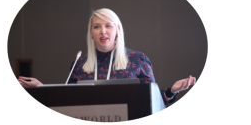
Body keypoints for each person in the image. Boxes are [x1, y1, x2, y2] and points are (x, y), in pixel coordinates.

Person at [18, 8, 196, 107]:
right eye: (97, 26)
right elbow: (67, 103)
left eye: (108, 26)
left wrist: (171, 91)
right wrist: (41, 88)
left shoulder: (138, 60)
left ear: (117, 30)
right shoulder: (79, 64)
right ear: (91, 32)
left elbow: (153, 102)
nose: (102, 31)